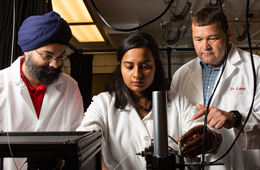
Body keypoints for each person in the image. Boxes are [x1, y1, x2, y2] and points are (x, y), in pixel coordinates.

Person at [77, 32, 222, 170]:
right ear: (120, 66)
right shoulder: (103, 103)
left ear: (155, 67)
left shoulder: (178, 101)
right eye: (129, 66)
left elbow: (198, 128)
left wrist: (208, 137)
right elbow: (85, 140)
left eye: (145, 66)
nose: (137, 74)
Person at [170, 5, 260, 170]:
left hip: (242, 165)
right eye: (198, 39)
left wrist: (235, 118)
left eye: (212, 38)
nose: (205, 46)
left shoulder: (256, 68)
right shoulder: (181, 75)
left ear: (229, 34)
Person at [0, 11, 84, 169]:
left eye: (60, 57)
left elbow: (77, 140)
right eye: (47, 56)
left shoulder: (70, 87)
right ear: (27, 50)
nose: (55, 64)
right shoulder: (1, 84)